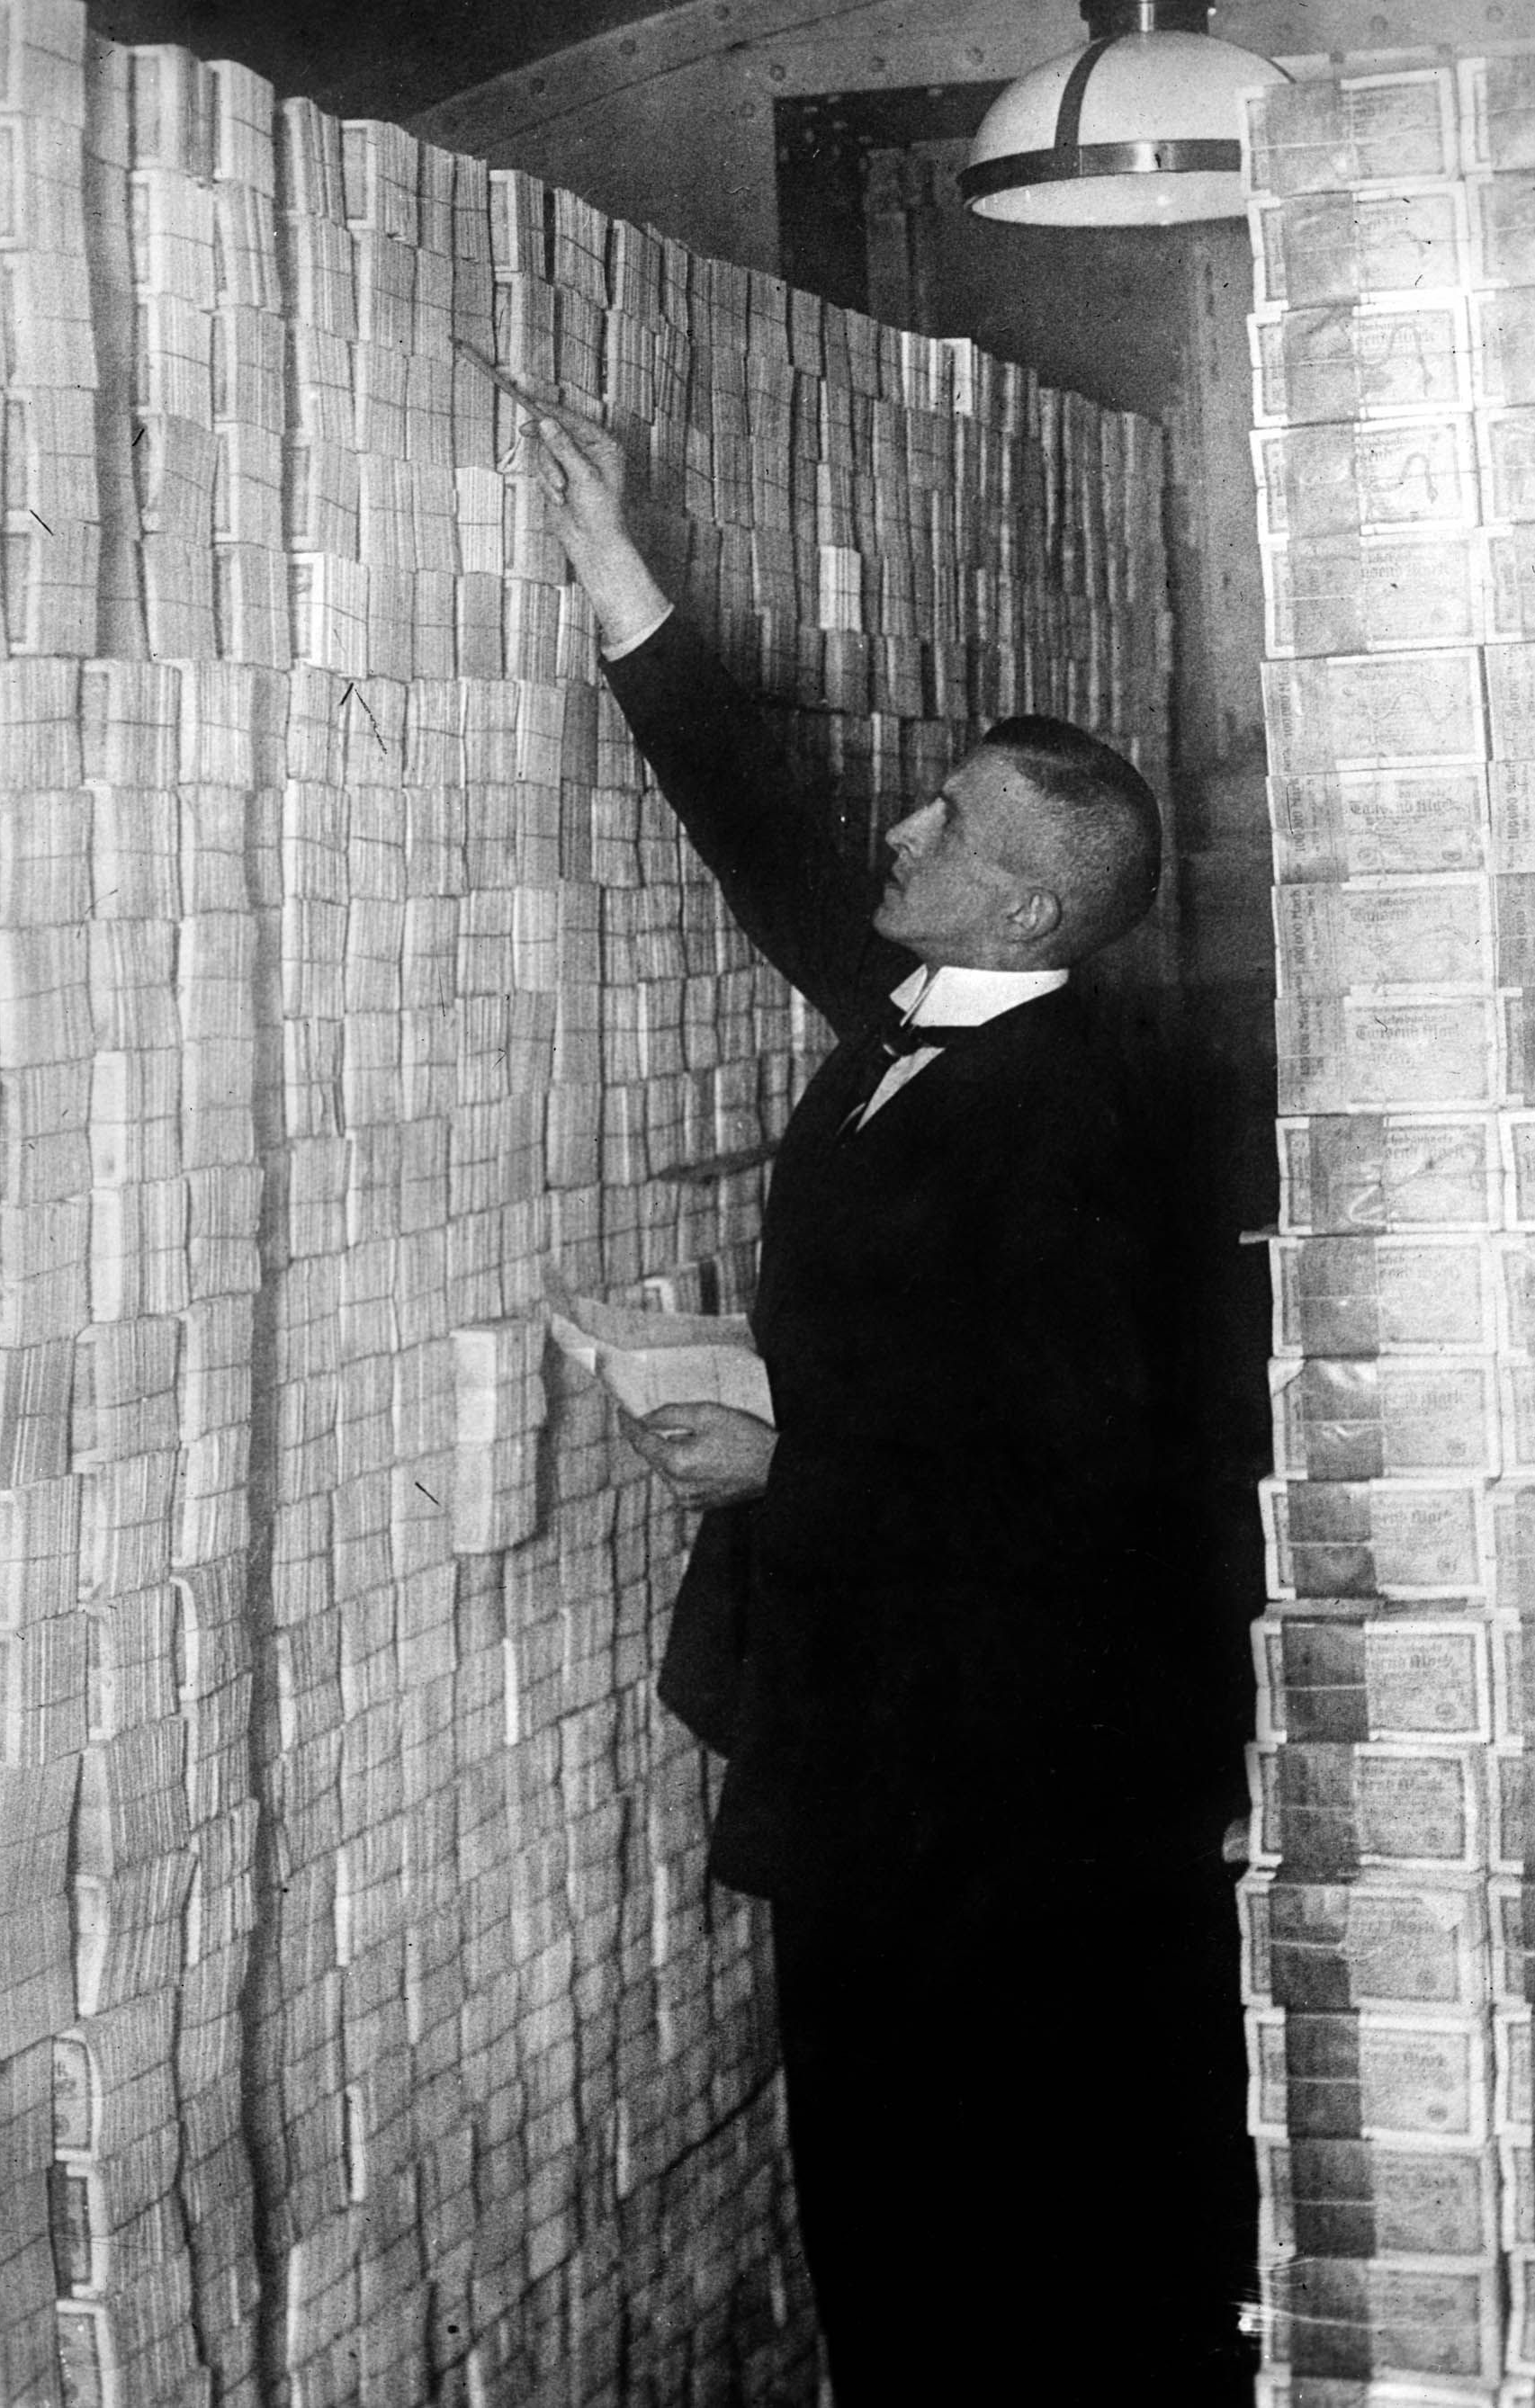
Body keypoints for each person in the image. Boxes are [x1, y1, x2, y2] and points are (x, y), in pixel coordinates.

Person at [506, 372, 1250, 2404]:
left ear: (1024, 905)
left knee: (966, 2223)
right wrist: (618, 578)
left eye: (942, 825)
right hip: (891, 1755)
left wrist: (773, 1458)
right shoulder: (939, 1007)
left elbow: (1063, 1491)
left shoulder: (1071, 1127)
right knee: (881, 2211)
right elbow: (777, 850)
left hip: (985, 1803)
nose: (896, 829)